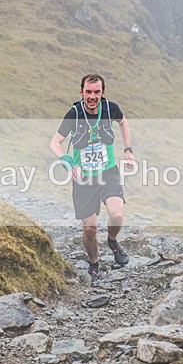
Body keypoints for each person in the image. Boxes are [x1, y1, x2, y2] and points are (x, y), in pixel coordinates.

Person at [50, 73, 136, 280]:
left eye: (97, 92)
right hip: (84, 178)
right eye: (88, 92)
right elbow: (54, 143)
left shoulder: (110, 108)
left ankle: (112, 240)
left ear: (103, 92)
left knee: (116, 214)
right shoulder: (74, 114)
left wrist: (128, 150)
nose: (92, 96)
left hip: (108, 171)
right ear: (81, 92)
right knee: (89, 229)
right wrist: (69, 162)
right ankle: (94, 262)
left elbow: (123, 122)